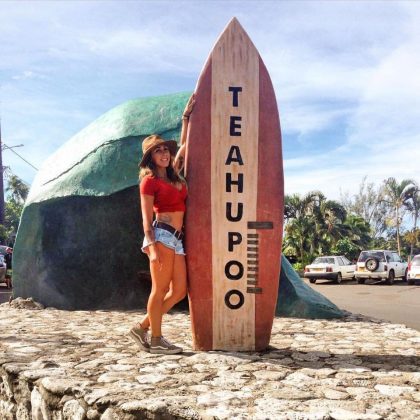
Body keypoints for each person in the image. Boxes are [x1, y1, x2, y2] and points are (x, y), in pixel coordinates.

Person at [129, 95, 194, 354]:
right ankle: (155, 339)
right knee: (160, 289)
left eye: (165, 149)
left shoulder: (175, 176)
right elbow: (146, 217)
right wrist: (152, 246)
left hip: (177, 238)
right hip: (162, 236)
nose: (164, 153)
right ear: (150, 158)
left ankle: (142, 326)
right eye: (158, 151)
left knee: (179, 290)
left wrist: (186, 118)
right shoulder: (149, 182)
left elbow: (185, 144)